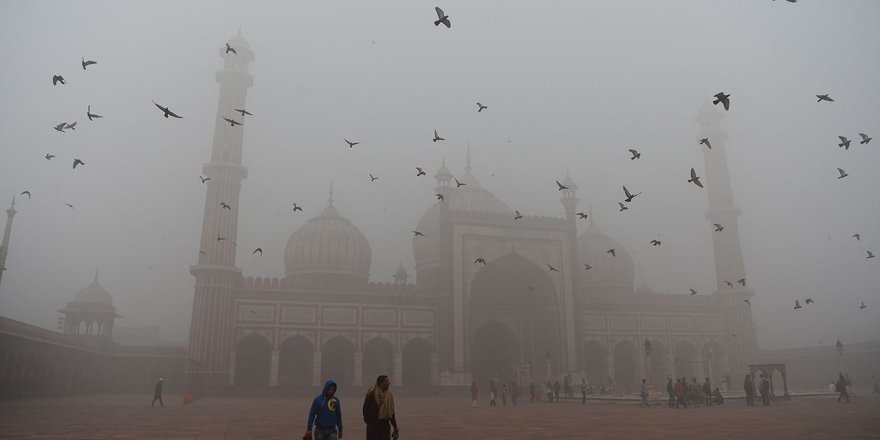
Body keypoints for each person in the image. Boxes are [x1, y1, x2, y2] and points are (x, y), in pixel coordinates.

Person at [363, 375, 399, 440]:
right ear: (381, 383)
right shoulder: (371, 394)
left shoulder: (389, 396)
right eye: (387, 381)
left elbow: (391, 412)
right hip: (373, 426)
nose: (389, 383)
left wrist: (395, 425)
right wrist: (369, 422)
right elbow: (365, 410)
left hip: (385, 425)